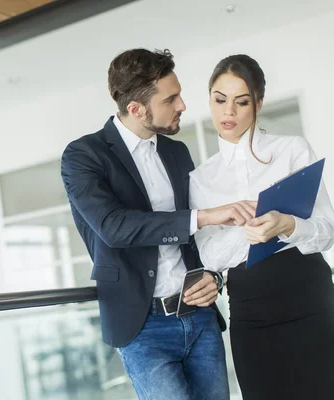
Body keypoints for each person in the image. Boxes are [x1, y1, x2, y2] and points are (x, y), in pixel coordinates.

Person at [61, 48, 255, 400]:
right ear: (136, 109)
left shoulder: (175, 152)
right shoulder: (84, 156)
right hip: (142, 326)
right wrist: (206, 215)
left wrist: (212, 275)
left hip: (198, 315)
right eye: (171, 98)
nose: (182, 105)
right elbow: (115, 227)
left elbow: (196, 241)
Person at [189, 54, 334, 399]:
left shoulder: (292, 150)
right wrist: (246, 232)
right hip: (251, 312)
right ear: (209, 98)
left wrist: (287, 225)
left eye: (242, 102)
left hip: (311, 300)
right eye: (220, 100)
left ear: (259, 103)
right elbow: (209, 255)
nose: (229, 112)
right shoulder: (200, 179)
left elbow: (327, 231)